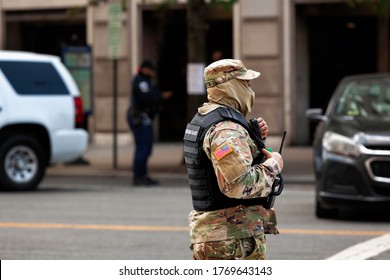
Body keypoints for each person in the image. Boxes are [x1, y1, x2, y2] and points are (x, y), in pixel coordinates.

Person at [183, 59, 284, 260]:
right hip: (231, 241)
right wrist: (274, 164)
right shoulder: (226, 129)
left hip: (221, 238)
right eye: (245, 84)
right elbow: (238, 184)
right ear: (230, 86)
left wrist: (253, 139)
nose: (250, 89)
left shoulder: (208, 118)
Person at [127, 59, 172, 186]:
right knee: (142, 148)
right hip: (140, 118)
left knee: (145, 148)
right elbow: (147, 97)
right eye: (151, 71)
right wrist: (161, 97)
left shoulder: (145, 81)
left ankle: (143, 175)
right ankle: (138, 176)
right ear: (146, 69)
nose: (153, 73)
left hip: (143, 118)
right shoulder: (140, 81)